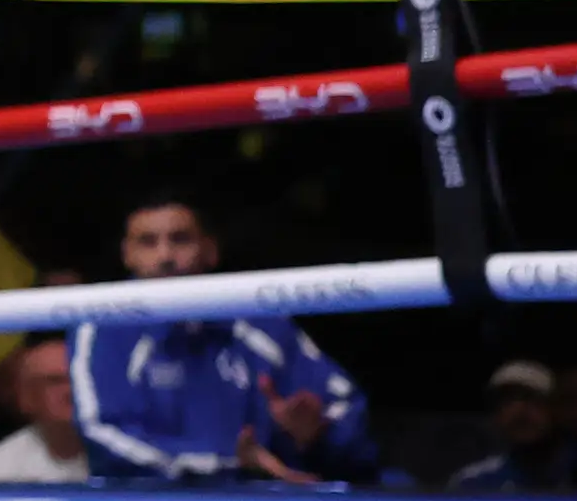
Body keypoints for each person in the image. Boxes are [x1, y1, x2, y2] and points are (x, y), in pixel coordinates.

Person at [75, 197, 374, 484]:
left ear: (210, 249)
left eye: (180, 240)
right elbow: (101, 431)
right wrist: (229, 463)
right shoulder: (104, 326)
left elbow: (344, 407)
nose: (165, 257)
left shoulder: (259, 322)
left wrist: (317, 433)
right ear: (127, 254)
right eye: (148, 242)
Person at [0, 336, 90, 484]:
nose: (70, 390)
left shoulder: (120, 448)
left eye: (76, 379)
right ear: (26, 398)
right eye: (54, 381)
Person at [448, 360, 567, 494]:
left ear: (555, 409)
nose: (519, 409)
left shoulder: (572, 472)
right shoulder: (473, 482)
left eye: (530, 398)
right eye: (507, 400)